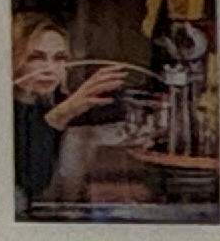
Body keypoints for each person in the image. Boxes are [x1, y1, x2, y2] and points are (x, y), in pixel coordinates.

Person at [9, 14, 135, 213]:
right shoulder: (3, 113)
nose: (49, 68)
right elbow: (29, 183)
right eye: (36, 57)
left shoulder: (41, 105)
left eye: (59, 58)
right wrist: (58, 117)